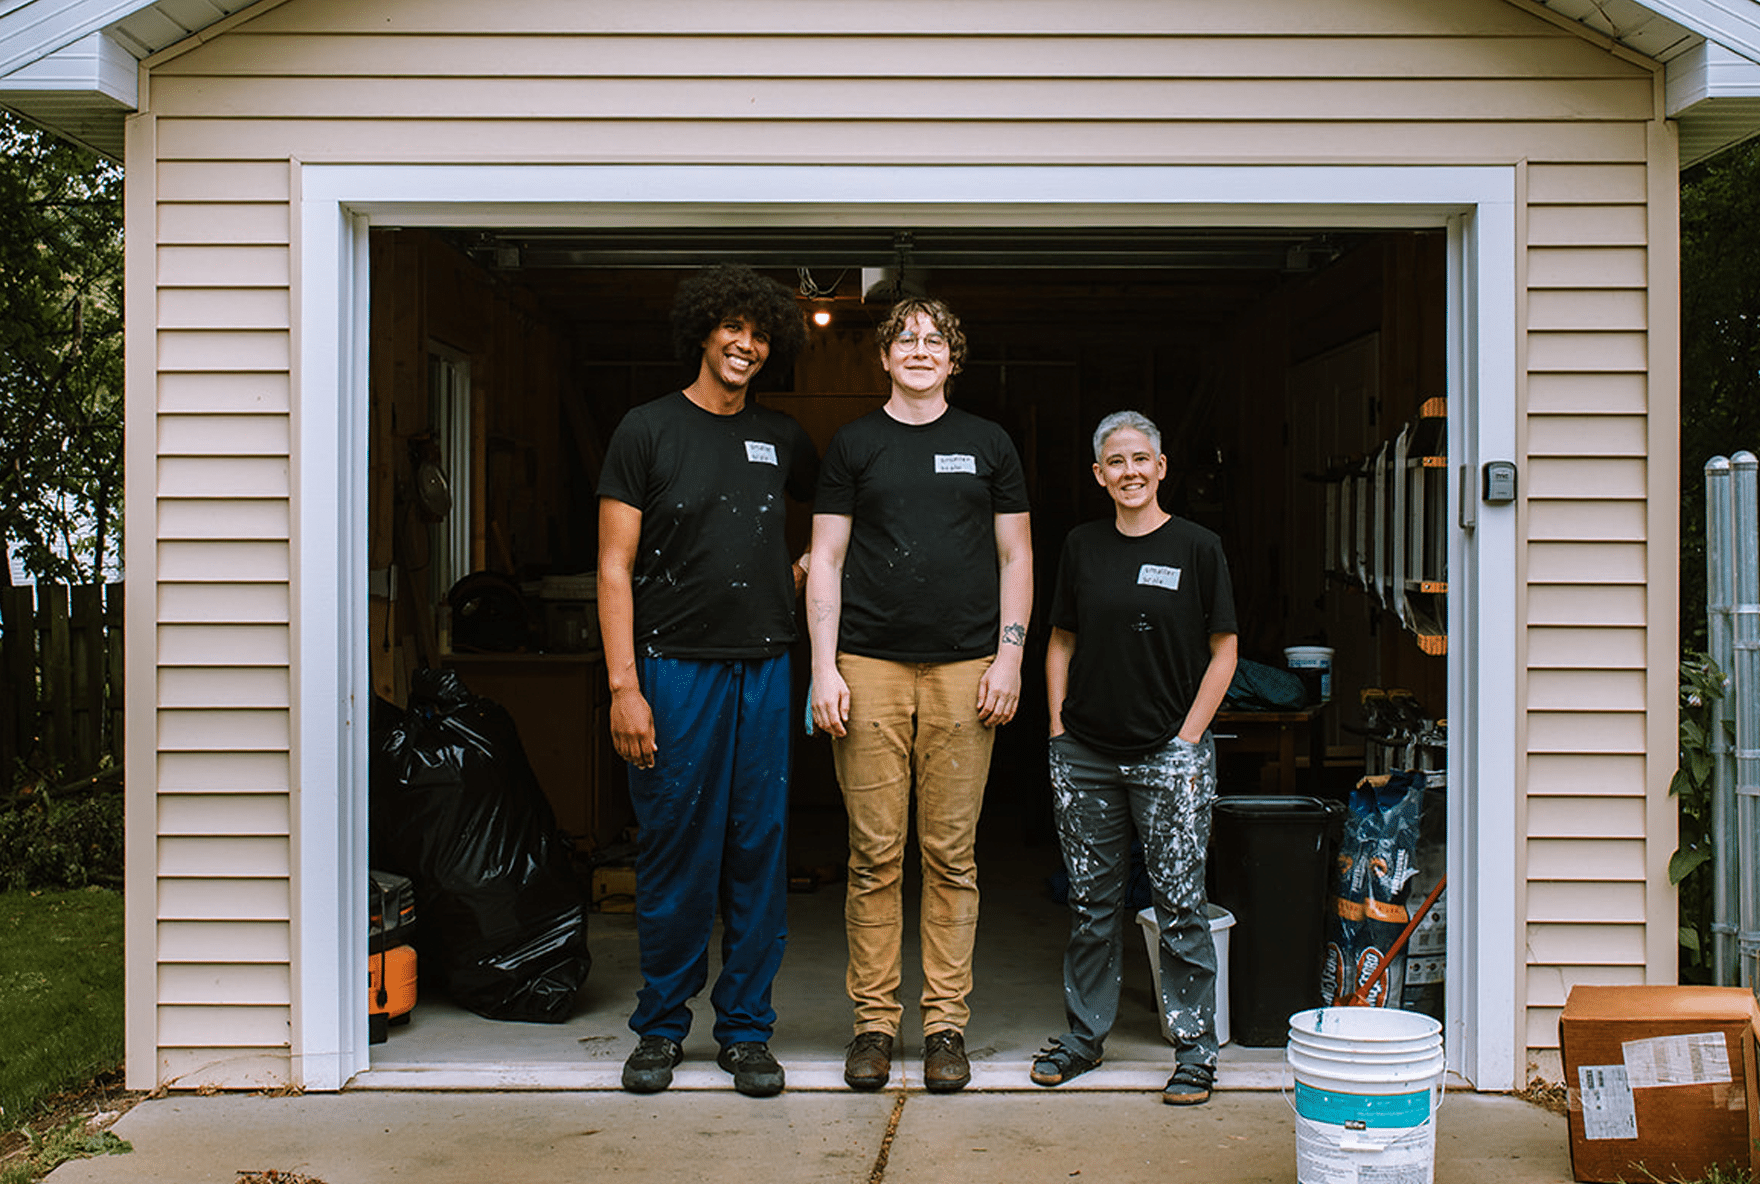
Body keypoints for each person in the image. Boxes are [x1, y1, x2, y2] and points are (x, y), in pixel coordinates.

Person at [596, 263, 816, 1098]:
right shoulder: (646, 430)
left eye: (761, 335)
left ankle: (748, 1033)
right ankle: (659, 1027)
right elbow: (613, 569)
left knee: (757, 851)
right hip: (671, 669)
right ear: (703, 332)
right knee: (675, 852)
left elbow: (841, 511)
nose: (747, 345)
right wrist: (626, 687)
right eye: (734, 329)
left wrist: (806, 568)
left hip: (765, 666)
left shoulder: (783, 438)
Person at [807, 297, 1033, 1093]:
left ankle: (945, 1029)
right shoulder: (854, 444)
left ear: (954, 357)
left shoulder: (988, 444)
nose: (918, 348)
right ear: (884, 356)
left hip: (964, 671)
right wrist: (823, 667)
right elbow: (825, 559)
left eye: (935, 338)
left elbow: (1016, 557)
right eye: (904, 338)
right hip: (866, 665)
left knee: (951, 856)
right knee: (873, 856)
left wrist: (1007, 661)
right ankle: (873, 1024)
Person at [1033, 410, 1239, 1106]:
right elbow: (1059, 638)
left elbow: (1225, 649)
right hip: (1086, 754)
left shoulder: (1197, 546)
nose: (1128, 471)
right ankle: (1085, 1037)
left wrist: (1189, 738)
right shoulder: (1083, 546)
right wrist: (1059, 727)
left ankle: (1195, 1049)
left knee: (1179, 903)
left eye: (1139, 458)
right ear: (1099, 475)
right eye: (1114, 461)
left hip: (1168, 756)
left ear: (1161, 467)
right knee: (1092, 903)